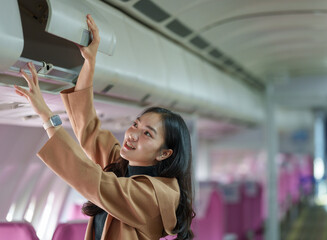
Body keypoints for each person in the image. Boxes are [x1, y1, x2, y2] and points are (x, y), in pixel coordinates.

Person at [14, 14, 195, 240]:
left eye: (147, 133)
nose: (133, 134)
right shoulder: (122, 168)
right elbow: (89, 129)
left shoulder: (155, 196)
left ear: (164, 153)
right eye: (135, 125)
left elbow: (92, 180)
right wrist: (90, 62)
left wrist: (45, 114)